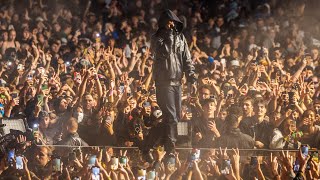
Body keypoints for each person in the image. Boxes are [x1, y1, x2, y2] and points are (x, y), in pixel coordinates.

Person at [150, 9, 197, 154]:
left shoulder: (181, 37)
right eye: (169, 21)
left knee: (177, 117)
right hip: (164, 83)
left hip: (177, 82)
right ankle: (170, 150)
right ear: (163, 22)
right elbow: (162, 53)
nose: (171, 24)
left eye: (173, 21)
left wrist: (192, 78)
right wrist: (169, 36)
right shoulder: (157, 37)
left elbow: (187, 59)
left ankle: (155, 143)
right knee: (171, 117)